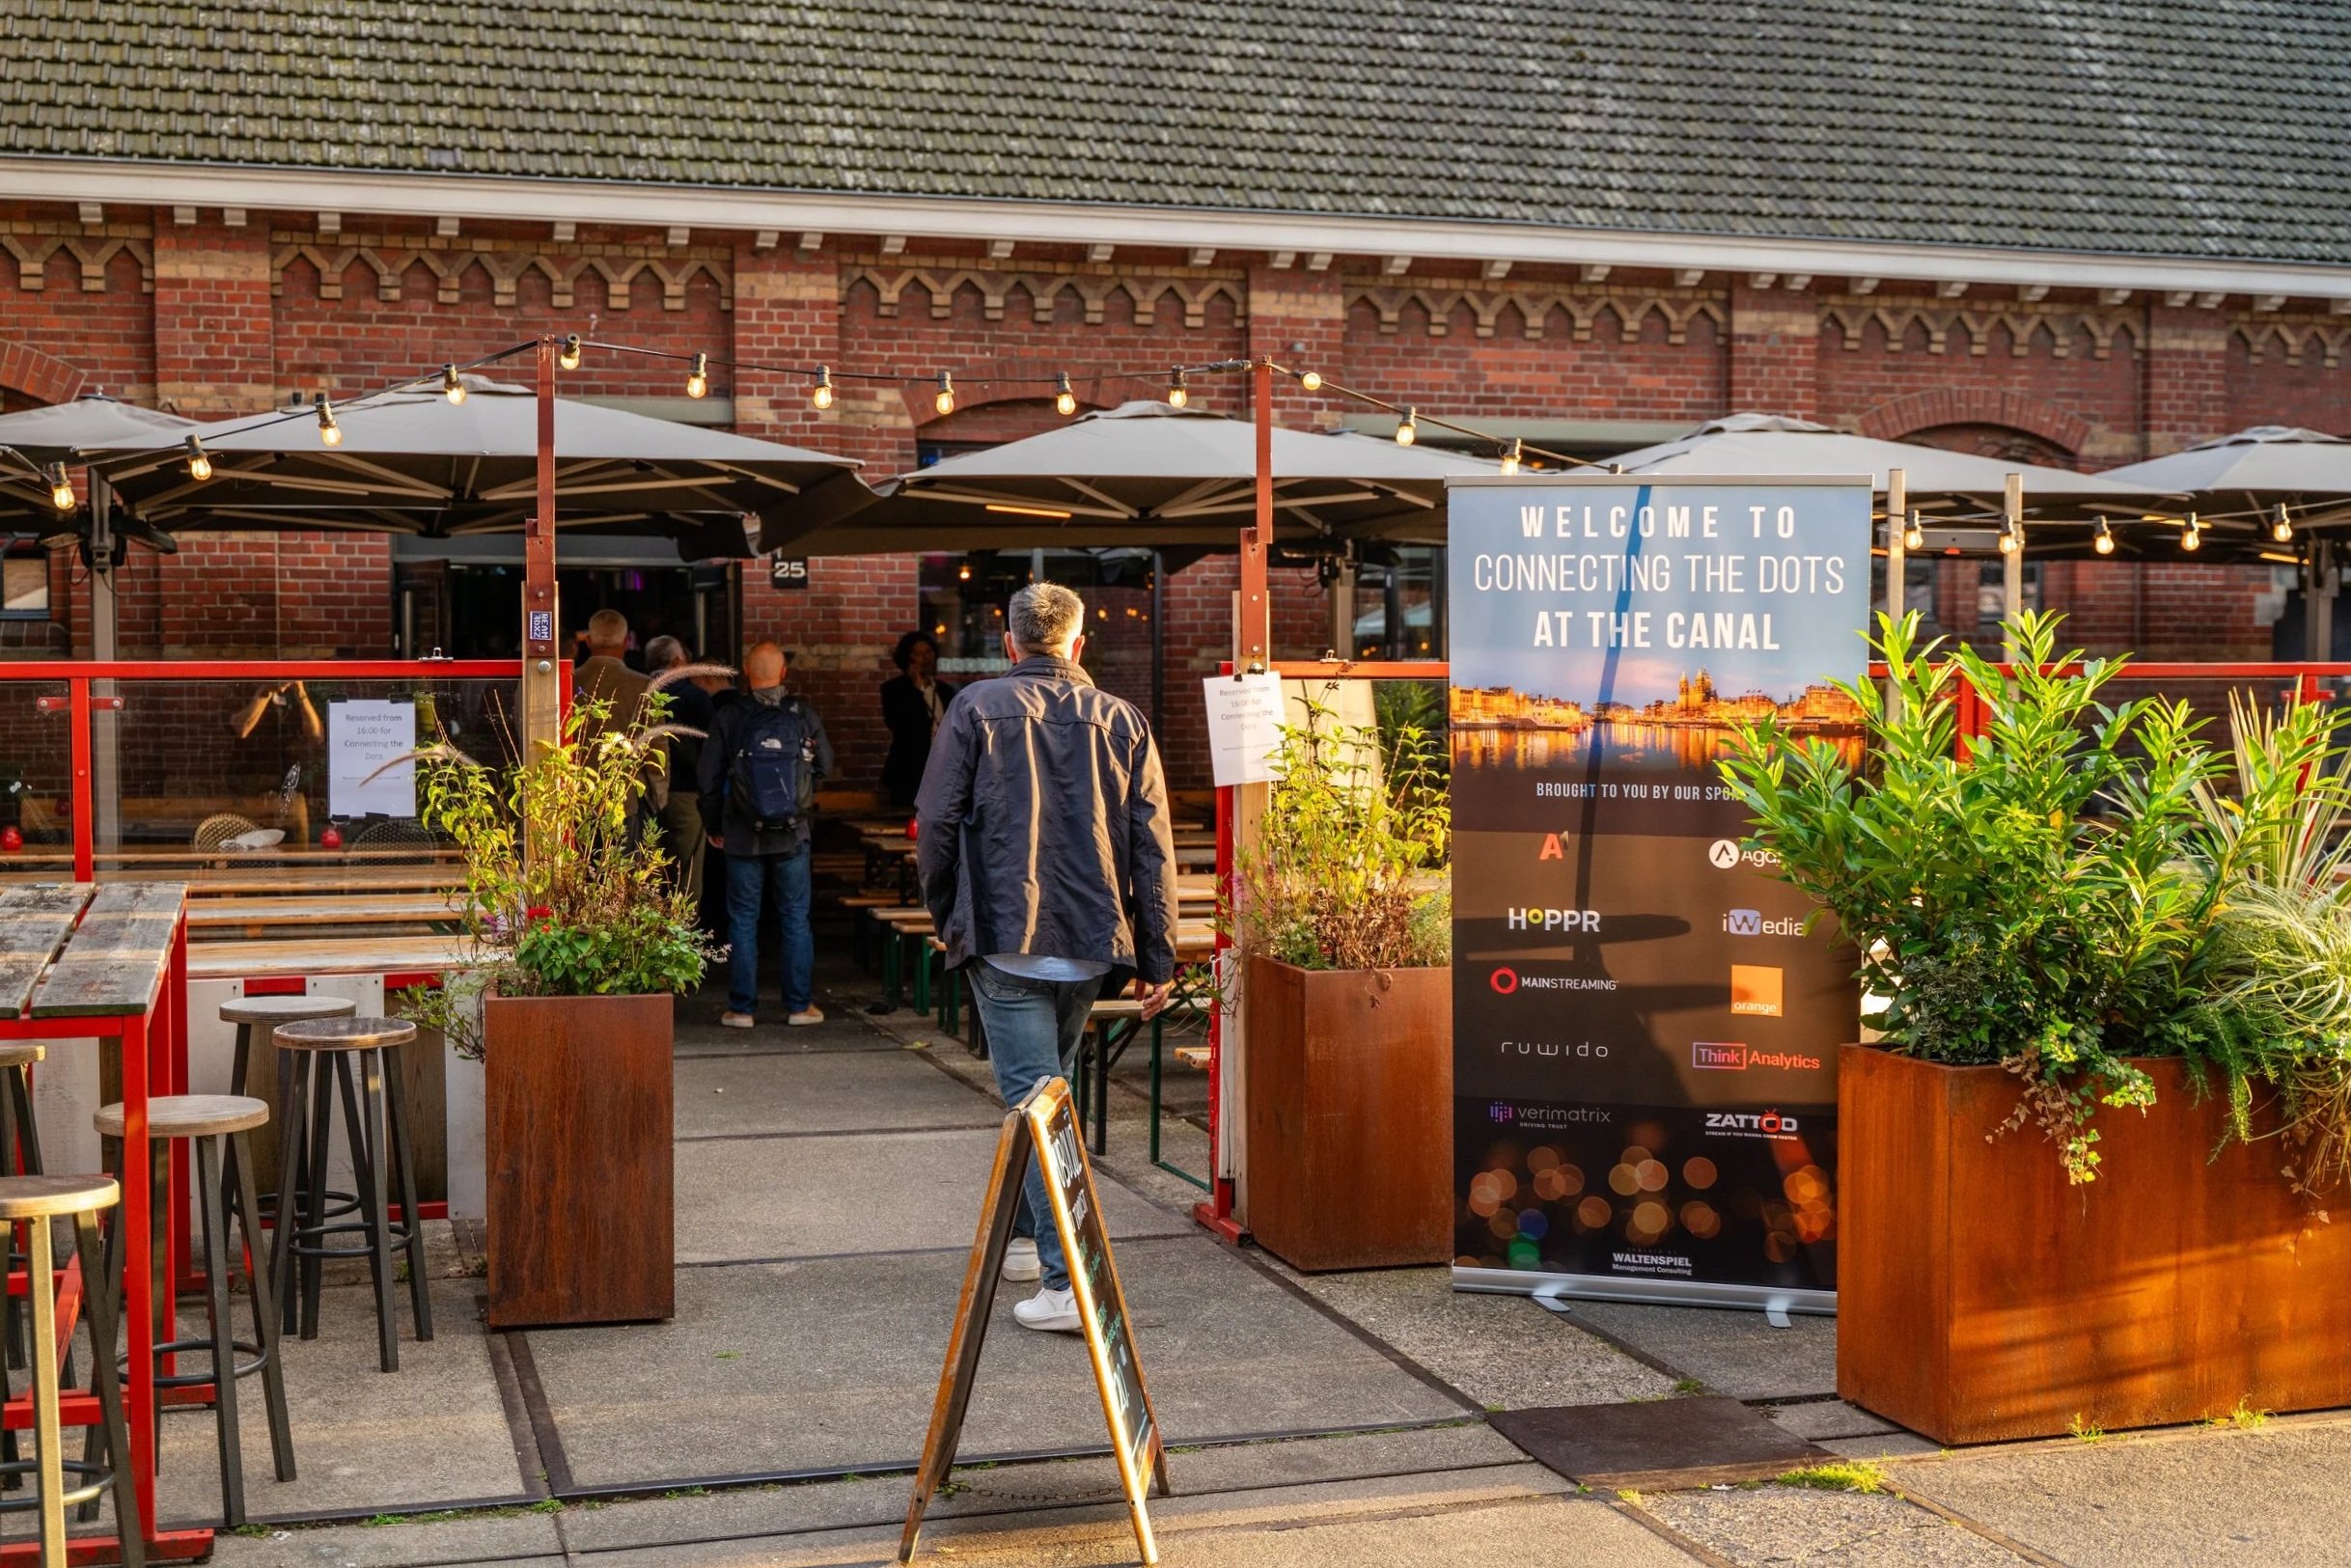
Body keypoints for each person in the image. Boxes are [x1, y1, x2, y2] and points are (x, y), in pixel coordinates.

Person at [916, 583, 1178, 1334]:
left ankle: (1068, 1283)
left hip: (1005, 936)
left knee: (1037, 1110)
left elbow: (933, 822)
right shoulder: (1123, 719)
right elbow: (1152, 851)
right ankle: (1032, 1245)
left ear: (1010, 643)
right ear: (1077, 644)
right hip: (1092, 940)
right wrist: (1157, 955)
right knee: (1047, 1097)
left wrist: (947, 914)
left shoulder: (973, 709)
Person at [699, 643, 832, 1029]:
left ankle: (742, 1009)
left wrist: (714, 826)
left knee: (742, 919)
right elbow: (824, 764)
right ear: (784, 673)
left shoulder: (729, 716)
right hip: (792, 835)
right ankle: (799, 1006)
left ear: (745, 672)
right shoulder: (801, 715)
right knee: (794, 917)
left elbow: (709, 778)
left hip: (741, 836)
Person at [574, 609, 662, 823]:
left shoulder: (567, 682)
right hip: (626, 799)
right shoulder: (644, 686)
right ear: (625, 642)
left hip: (573, 799)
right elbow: (655, 748)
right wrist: (658, 799)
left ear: (588, 641)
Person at [644, 634, 712, 908]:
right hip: (686, 796)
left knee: (649, 870)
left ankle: (648, 939)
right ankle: (682, 939)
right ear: (677, 661)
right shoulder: (695, 697)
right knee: (687, 875)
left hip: (645, 795)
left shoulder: (639, 691)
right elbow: (712, 750)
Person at [879, 630, 956, 808]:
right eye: (918, 654)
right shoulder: (894, 690)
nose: (925, 658)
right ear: (908, 657)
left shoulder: (945, 691)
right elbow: (900, 725)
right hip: (908, 771)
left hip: (941, 768)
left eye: (928, 652)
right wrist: (915, 689)